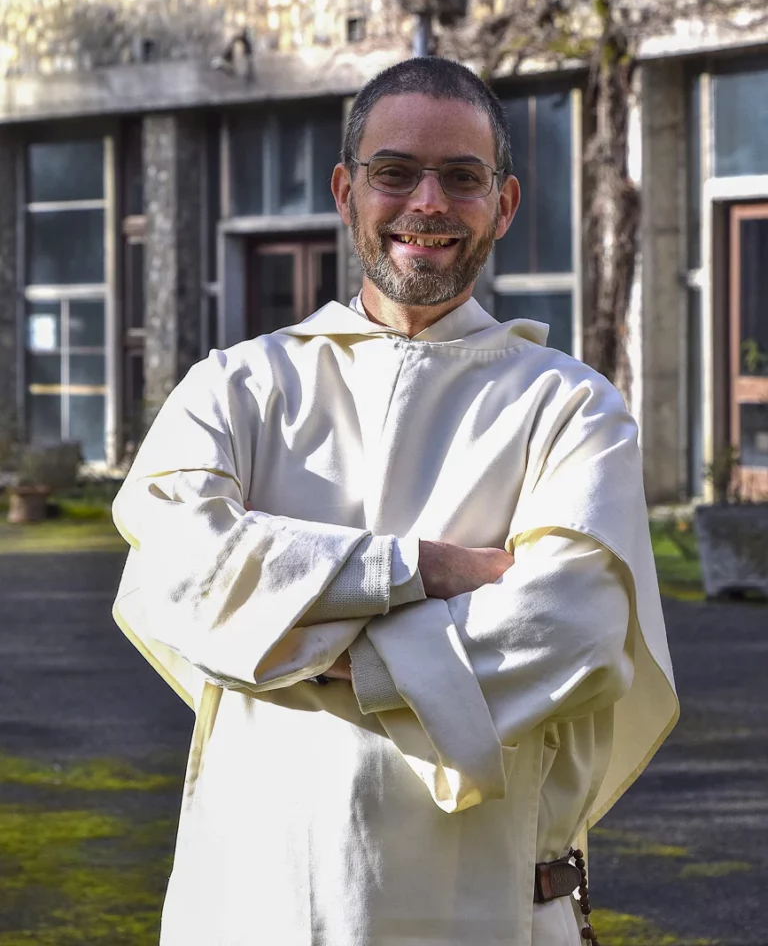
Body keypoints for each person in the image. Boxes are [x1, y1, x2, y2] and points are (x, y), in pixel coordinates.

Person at [112, 57, 678, 946]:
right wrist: (420, 569)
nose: (428, 202)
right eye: (394, 172)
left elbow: (573, 636)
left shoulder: (570, 407)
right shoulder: (235, 388)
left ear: (505, 204)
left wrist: (294, 639)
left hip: (483, 908)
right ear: (346, 190)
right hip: (254, 901)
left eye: (462, 176)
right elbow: (181, 577)